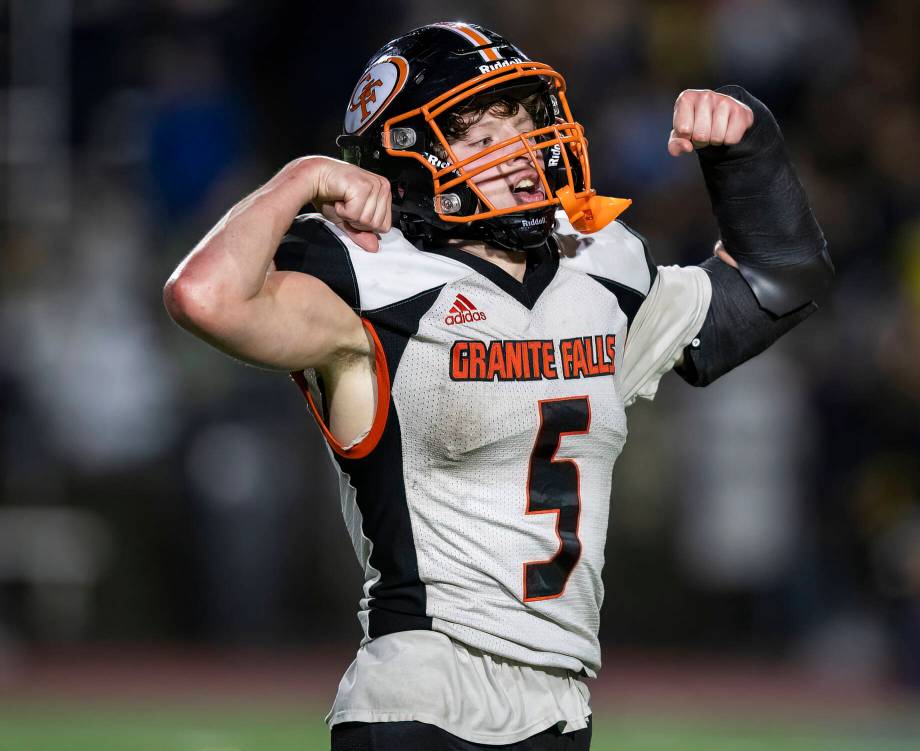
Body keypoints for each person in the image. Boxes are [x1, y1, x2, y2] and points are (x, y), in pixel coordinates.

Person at [163, 21, 833, 751]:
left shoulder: (598, 263)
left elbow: (777, 283)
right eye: (480, 138)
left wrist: (747, 142)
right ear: (406, 165)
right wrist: (301, 176)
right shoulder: (372, 278)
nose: (518, 154)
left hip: (560, 704)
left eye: (520, 121)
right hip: (420, 697)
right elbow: (206, 296)